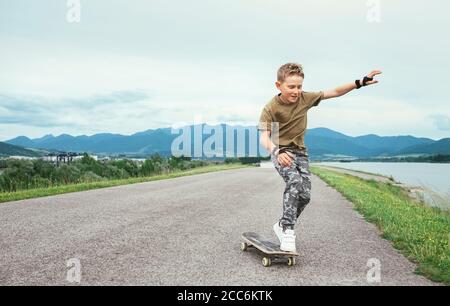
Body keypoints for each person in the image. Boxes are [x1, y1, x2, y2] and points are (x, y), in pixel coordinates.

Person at [258, 62, 381, 252]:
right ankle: (288, 231)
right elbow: (264, 137)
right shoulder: (271, 108)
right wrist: (277, 152)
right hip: (281, 151)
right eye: (291, 87)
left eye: (299, 86)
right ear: (278, 86)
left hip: (300, 152)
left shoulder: (305, 98)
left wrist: (360, 82)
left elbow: (334, 91)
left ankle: (282, 224)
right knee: (294, 182)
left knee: (305, 196)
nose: (296, 91)